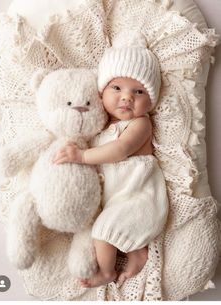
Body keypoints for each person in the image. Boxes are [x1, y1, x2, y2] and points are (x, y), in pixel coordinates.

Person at [53, 36, 169, 288]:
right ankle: (136, 252)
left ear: (150, 100)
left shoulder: (140, 123)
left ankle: (106, 273)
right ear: (100, 93)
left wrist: (81, 157)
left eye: (138, 92)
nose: (127, 98)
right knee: (104, 223)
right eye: (117, 88)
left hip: (140, 198)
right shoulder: (101, 126)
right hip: (120, 201)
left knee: (103, 230)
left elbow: (119, 150)